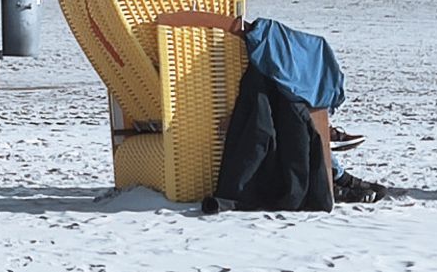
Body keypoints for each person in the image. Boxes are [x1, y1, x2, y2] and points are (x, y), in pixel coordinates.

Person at [163, 12, 389, 207]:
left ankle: (336, 175)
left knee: (288, 101)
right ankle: (335, 176)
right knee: (296, 106)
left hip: (191, 106)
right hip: (209, 104)